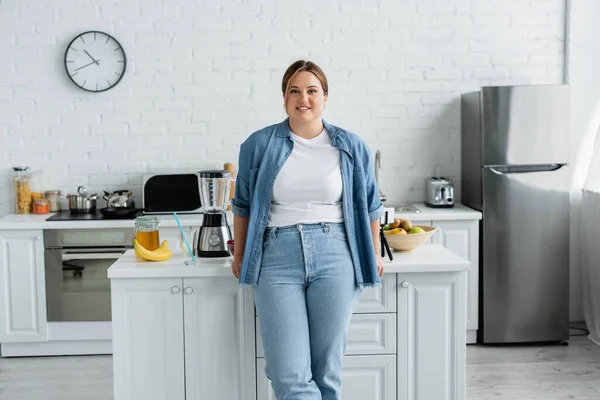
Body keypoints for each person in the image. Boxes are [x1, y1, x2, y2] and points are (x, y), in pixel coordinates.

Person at [230, 60, 385, 400]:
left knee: (326, 371)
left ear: (325, 97)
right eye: (295, 91)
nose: (304, 98)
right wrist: (240, 253)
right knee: (288, 373)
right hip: (276, 256)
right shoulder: (258, 144)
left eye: (312, 90)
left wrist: (373, 251)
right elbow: (241, 205)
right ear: (284, 97)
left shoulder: (351, 145)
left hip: (336, 254)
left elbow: (371, 204)